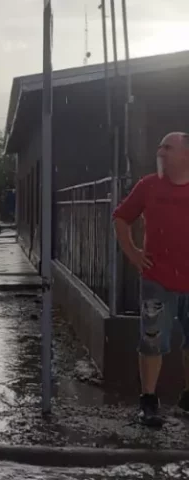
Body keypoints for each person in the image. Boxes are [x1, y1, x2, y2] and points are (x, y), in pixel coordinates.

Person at [112, 131, 189, 428]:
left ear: (185, 154)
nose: (161, 151)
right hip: (158, 279)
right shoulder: (149, 185)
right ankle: (148, 400)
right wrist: (131, 252)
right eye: (160, 146)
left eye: (167, 147)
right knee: (152, 342)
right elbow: (121, 217)